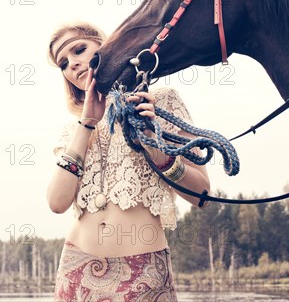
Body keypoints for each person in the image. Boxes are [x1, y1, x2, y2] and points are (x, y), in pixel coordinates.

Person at [46, 23, 210, 301]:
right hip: (76, 269)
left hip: (143, 273)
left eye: (79, 50)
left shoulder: (162, 102)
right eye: (64, 63)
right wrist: (87, 124)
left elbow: (202, 195)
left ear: (103, 46)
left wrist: (154, 144)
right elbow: (57, 203)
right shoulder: (74, 129)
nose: (73, 64)